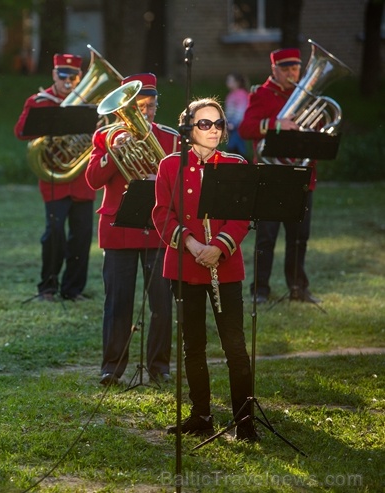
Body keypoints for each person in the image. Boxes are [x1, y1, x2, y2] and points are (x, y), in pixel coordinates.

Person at [152, 97, 258, 442]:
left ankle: (245, 421)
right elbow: (162, 214)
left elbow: (242, 216)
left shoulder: (235, 163)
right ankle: (201, 415)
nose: (213, 130)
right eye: (204, 124)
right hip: (185, 265)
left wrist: (219, 247)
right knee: (192, 345)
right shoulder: (170, 165)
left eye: (218, 124)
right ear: (188, 129)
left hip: (225, 268)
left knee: (235, 346)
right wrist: (194, 245)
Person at [85, 73, 179, 386]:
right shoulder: (106, 137)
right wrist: (115, 152)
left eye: (151, 106)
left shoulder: (170, 138)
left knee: (162, 304)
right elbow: (93, 180)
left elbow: (182, 183)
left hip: (158, 228)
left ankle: (159, 366)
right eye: (139, 107)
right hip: (118, 228)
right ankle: (112, 367)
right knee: (118, 303)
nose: (145, 113)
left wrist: (159, 183)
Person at [238, 48, 319, 304]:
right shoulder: (262, 94)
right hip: (270, 176)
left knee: (299, 237)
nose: (292, 74)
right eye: (286, 70)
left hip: (300, 176)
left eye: (295, 69)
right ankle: (260, 290)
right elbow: (246, 128)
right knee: (266, 237)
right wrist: (275, 124)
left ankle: (298, 287)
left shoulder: (306, 95)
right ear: (274, 70)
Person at [14, 53, 95, 302]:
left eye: (74, 77)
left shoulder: (89, 102)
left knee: (82, 236)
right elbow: (20, 132)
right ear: (54, 75)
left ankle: (73, 289)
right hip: (54, 179)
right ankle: (47, 287)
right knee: (55, 233)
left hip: (82, 178)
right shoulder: (40, 101)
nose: (68, 82)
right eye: (63, 76)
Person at [224, 72, 249, 158]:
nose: (228, 82)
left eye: (230, 80)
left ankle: (245, 162)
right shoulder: (230, 95)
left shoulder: (241, 94)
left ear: (237, 82)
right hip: (231, 125)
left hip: (238, 125)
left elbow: (241, 110)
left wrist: (234, 123)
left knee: (236, 146)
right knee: (234, 145)